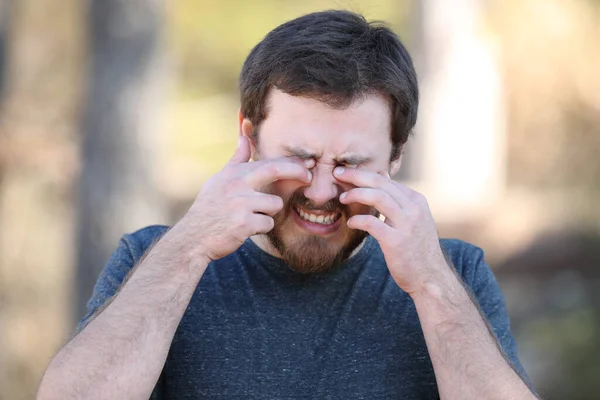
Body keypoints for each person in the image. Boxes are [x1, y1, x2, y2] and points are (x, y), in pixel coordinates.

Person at [38, 10, 538, 400]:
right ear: (249, 136)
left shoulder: (454, 274)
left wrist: (430, 284)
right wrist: (188, 247)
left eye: (350, 164)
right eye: (299, 158)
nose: (320, 192)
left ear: (397, 156)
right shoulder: (153, 257)